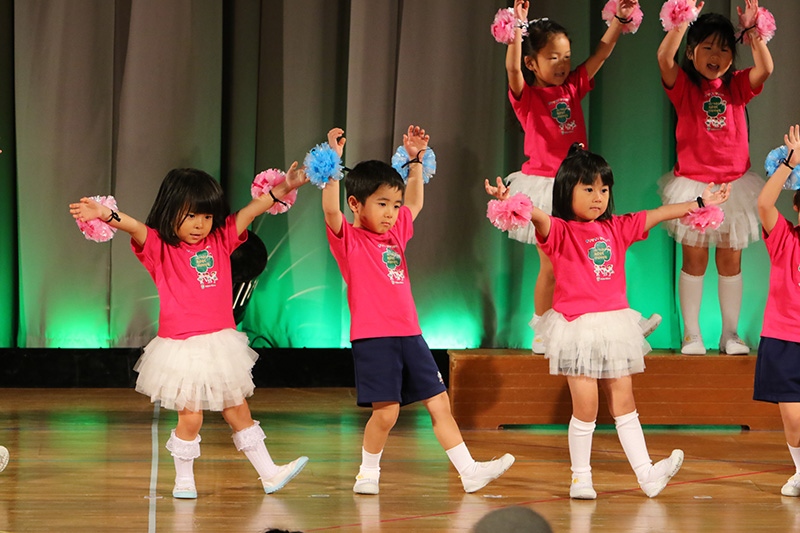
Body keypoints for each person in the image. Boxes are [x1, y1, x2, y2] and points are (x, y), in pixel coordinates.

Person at [486, 143, 730, 499]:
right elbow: (536, 215)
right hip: (576, 327)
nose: (598, 197)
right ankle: (580, 479)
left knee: (624, 403)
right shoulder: (558, 230)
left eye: (603, 189)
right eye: (588, 188)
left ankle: (647, 474)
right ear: (566, 190)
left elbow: (660, 213)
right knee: (586, 407)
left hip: (616, 326)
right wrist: (510, 201)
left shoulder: (618, 227)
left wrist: (700, 203)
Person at [69, 165, 310, 499]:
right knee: (191, 416)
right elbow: (135, 226)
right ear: (171, 213)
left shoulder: (221, 239)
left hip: (220, 342)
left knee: (238, 409)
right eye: (192, 216)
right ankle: (184, 480)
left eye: (207, 217)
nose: (200, 224)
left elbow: (255, 208)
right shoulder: (158, 247)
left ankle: (269, 473)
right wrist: (105, 214)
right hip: (182, 346)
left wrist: (286, 186)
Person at [322, 125, 515, 495]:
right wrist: (333, 162)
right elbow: (331, 208)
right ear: (356, 204)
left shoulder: (396, 234)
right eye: (382, 204)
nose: (392, 213)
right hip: (374, 338)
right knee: (387, 413)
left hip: (410, 333)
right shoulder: (349, 239)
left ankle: (468, 470)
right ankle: (367, 473)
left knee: (439, 402)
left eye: (393, 206)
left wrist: (415, 162)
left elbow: (415, 203)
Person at [502, 0, 659, 353]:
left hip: (576, 184)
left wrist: (619, 20)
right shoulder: (527, 97)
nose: (561, 64)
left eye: (566, 57)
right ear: (533, 62)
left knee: (594, 258)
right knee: (551, 265)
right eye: (552, 57)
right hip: (545, 186)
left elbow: (601, 54)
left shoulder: (573, 87)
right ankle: (542, 330)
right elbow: (512, 69)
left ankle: (612, 322)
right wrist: (517, 30)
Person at [656, 0, 774, 355]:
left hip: (733, 186)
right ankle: (692, 334)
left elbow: (765, 69)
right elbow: (664, 59)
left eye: (724, 49)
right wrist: (681, 22)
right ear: (691, 52)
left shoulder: (736, 85)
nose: (716, 55)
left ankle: (731, 335)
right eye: (707, 46)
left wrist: (754, 33)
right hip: (695, 186)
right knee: (694, 260)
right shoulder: (684, 88)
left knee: (730, 260)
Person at [754, 125, 800, 497]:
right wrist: (788, 163)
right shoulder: (785, 238)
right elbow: (764, 205)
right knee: (794, 418)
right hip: (785, 337)